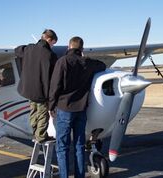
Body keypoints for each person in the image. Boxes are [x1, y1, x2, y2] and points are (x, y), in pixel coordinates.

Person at [49, 36, 106, 178]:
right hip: (81, 110)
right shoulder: (88, 63)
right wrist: (85, 58)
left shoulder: (62, 61)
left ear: (69, 47)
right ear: (82, 49)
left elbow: (55, 86)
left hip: (65, 109)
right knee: (79, 146)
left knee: (62, 147)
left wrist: (51, 106)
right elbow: (102, 65)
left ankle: (64, 175)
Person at [15, 29, 58, 143]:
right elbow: (54, 76)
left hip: (28, 90)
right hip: (41, 91)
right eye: (53, 43)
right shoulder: (50, 55)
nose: (53, 46)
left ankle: (35, 132)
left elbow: (17, 50)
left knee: (33, 111)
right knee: (43, 113)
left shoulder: (29, 48)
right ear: (49, 40)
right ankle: (41, 136)